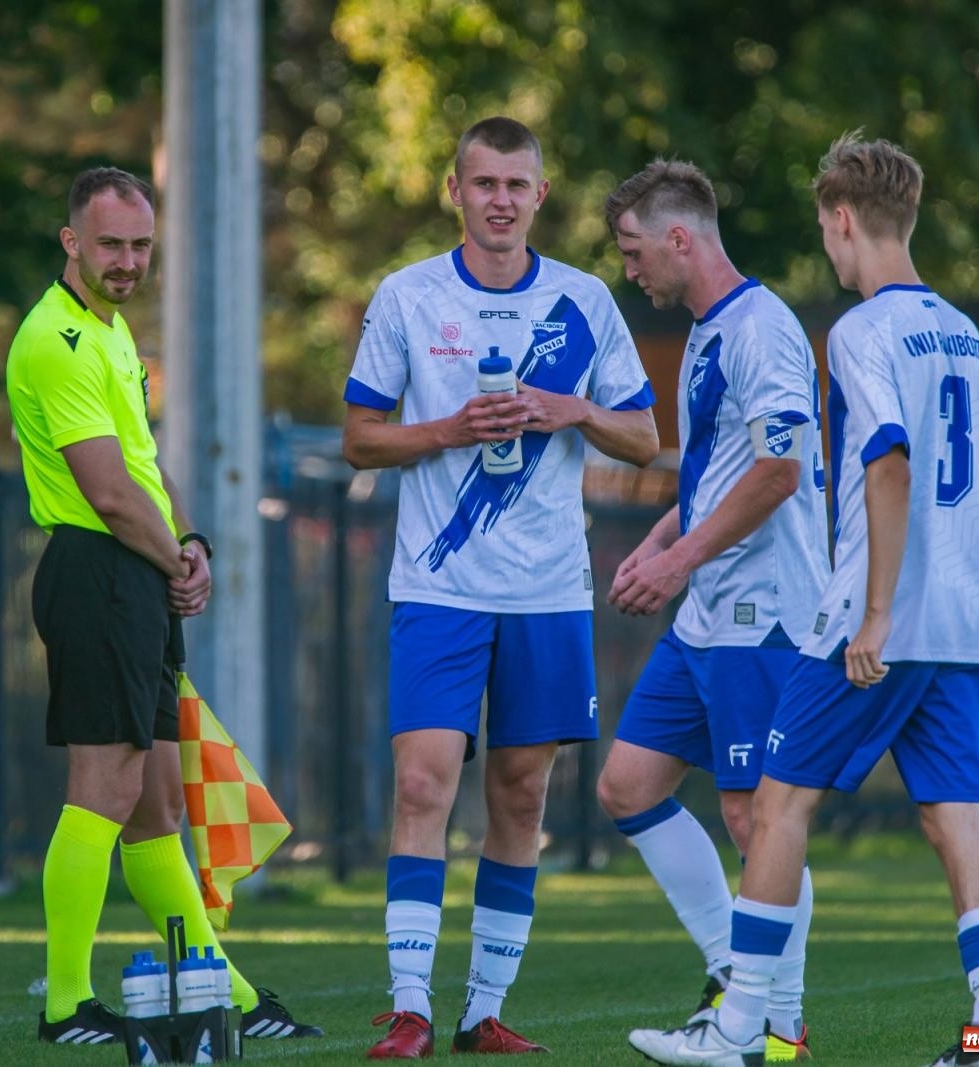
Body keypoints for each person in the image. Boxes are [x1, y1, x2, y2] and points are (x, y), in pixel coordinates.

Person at [629, 133, 979, 1067]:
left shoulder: (859, 331)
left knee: (777, 807)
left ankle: (743, 1026)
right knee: (954, 816)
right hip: (965, 623)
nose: (829, 248)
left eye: (825, 229)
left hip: (870, 624)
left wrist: (879, 612)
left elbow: (884, 461)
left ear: (843, 220)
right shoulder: (964, 332)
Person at [342, 116, 660, 1058]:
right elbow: (361, 437)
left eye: (518, 185)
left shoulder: (586, 301)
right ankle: (410, 1005)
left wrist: (570, 408)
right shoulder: (408, 296)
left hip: (548, 589)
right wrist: (448, 429)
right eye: (484, 184)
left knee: (521, 796)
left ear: (541, 195)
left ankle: (483, 1009)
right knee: (421, 779)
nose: (501, 201)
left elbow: (643, 438)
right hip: (439, 587)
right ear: (455, 190)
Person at [6, 166, 319, 1047]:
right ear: (72, 241)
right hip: (97, 572)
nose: (128, 260)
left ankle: (229, 990)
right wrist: (169, 555)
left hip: (136, 574)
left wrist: (193, 544)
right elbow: (105, 492)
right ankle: (66, 1001)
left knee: (157, 811)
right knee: (101, 791)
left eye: (141, 245)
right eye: (111, 243)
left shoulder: (112, 334)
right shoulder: (55, 340)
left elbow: (143, 463)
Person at [595, 160, 829, 1063]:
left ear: (680, 238)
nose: (630, 268)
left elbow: (777, 472)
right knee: (628, 785)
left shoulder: (762, 327)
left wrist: (680, 561)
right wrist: (662, 544)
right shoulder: (707, 330)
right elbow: (719, 475)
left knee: (753, 816)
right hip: (709, 614)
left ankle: (776, 1021)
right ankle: (745, 979)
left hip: (764, 613)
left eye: (633, 249)